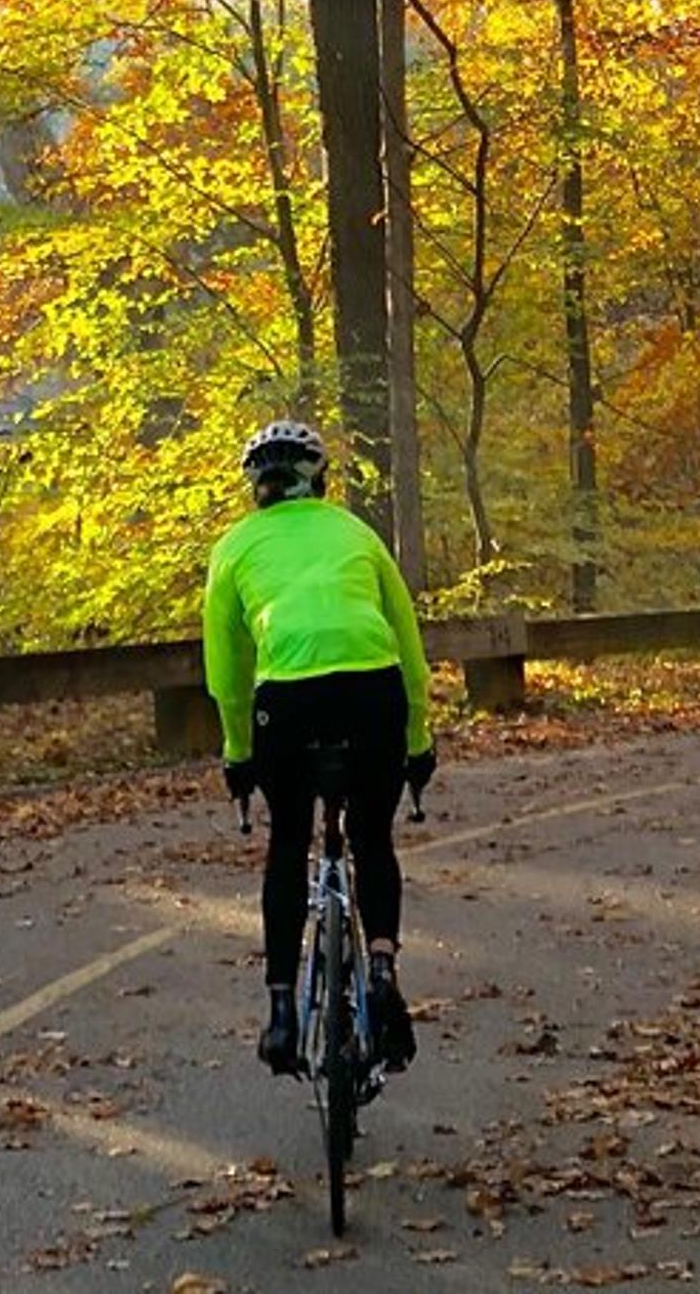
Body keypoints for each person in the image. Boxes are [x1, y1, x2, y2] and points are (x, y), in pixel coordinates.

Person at [203, 420, 435, 1077]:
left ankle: (282, 1010)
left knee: (287, 840)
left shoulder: (234, 546)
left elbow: (227, 670)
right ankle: (382, 968)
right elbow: (409, 647)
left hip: (287, 701)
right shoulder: (356, 533)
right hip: (373, 690)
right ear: (320, 480)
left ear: (257, 488)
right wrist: (418, 741)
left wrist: (238, 751)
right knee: (372, 837)